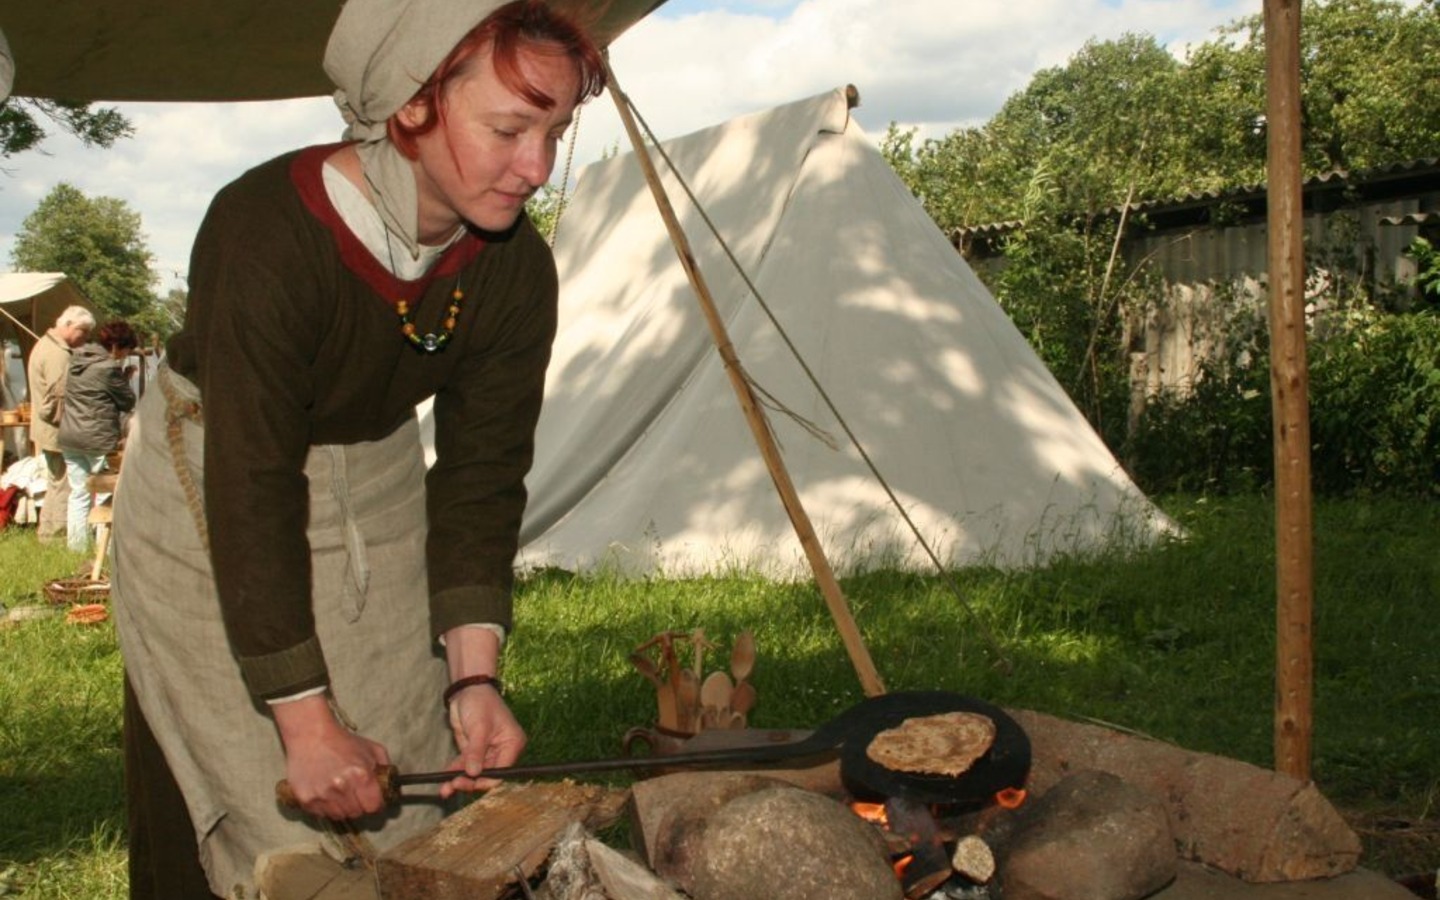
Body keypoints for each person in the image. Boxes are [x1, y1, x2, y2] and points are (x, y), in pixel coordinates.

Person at [110, 2, 606, 897]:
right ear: (412, 106)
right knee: (239, 785)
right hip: (213, 487)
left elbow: (481, 475)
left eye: (556, 131)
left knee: (407, 773)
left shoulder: (515, 271)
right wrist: (303, 720)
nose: (537, 167)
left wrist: (473, 679)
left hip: (375, 483)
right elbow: (252, 485)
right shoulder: (265, 231)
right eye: (508, 128)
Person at [56, 320, 138, 551]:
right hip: (97, 439)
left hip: (71, 436)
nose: (124, 355)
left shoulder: (76, 360)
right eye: (125, 350)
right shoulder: (108, 368)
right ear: (116, 346)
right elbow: (127, 401)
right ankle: (106, 548)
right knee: (105, 493)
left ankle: (76, 547)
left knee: (78, 494)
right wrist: (124, 378)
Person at [26, 305, 95, 543]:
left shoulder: (47, 346)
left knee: (57, 482)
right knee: (65, 485)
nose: (85, 337)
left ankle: (49, 533)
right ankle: (56, 535)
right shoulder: (59, 354)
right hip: (58, 431)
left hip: (50, 429)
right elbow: (58, 400)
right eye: (83, 331)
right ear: (67, 325)